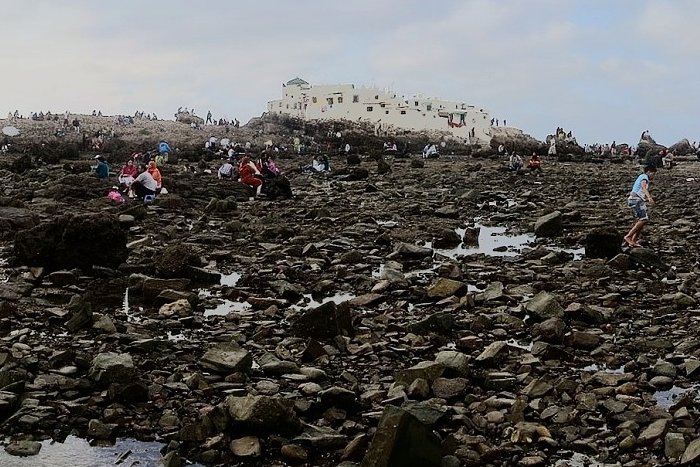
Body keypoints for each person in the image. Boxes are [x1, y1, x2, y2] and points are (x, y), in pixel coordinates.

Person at [624, 165, 656, 248]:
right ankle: (628, 236)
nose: (653, 176)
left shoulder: (642, 177)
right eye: (653, 174)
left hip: (636, 199)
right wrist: (649, 197)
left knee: (642, 221)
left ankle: (634, 240)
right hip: (636, 199)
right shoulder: (644, 177)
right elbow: (643, 187)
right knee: (643, 219)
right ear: (649, 172)